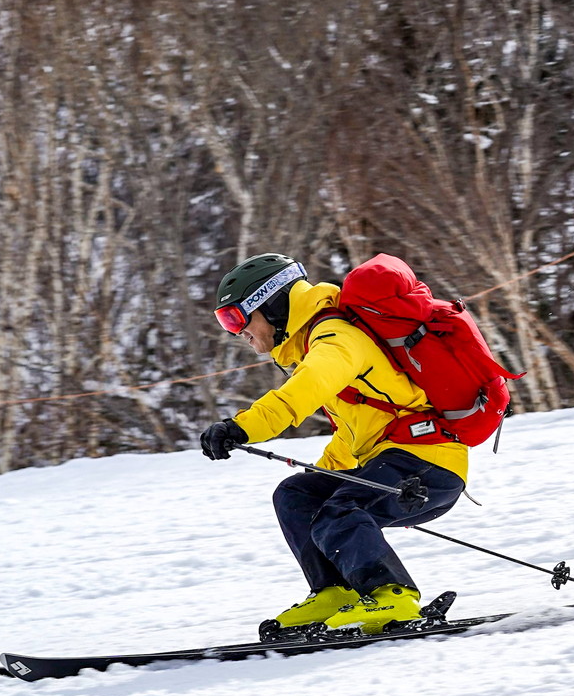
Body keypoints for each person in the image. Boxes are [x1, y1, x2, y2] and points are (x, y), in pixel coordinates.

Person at [200, 253, 468, 638]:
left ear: (273, 305)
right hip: (395, 459)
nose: (236, 331)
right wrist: (324, 476)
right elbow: (353, 432)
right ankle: (336, 591)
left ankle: (393, 595)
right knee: (297, 495)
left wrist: (240, 428)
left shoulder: (335, 339)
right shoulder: (318, 342)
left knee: (341, 510)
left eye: (237, 318)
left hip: (427, 465)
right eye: (226, 322)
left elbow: (299, 394)